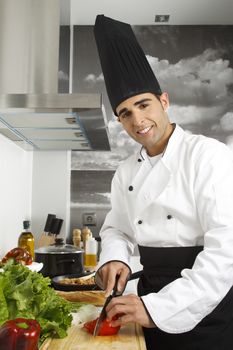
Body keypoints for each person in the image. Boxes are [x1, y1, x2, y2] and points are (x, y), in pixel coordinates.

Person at [93, 15, 233, 350]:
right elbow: (117, 229)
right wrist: (115, 258)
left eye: (144, 105)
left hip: (204, 306)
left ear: (164, 101)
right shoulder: (126, 171)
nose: (137, 120)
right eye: (125, 113)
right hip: (149, 298)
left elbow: (225, 252)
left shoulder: (208, 156)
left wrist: (157, 308)